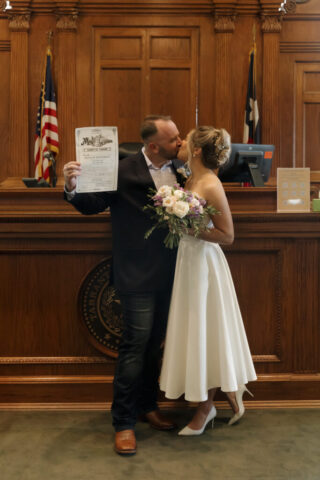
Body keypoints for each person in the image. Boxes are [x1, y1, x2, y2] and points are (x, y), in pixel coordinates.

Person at [63, 115, 184, 455]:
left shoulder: (182, 170)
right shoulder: (121, 169)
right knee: (134, 348)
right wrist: (71, 186)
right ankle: (124, 422)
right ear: (153, 145)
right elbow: (92, 206)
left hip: (173, 272)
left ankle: (148, 406)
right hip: (136, 274)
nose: (181, 142)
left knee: (154, 346)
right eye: (174, 138)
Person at [159, 126, 257, 435]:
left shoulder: (211, 184)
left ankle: (205, 407)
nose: (181, 144)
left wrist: (188, 229)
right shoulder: (190, 179)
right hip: (187, 261)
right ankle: (228, 392)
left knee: (206, 329)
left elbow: (227, 235)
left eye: (186, 140)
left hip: (204, 263)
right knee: (194, 330)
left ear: (197, 150)